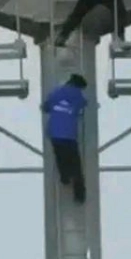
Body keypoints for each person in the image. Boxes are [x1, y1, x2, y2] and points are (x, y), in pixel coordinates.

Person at [43, 73, 88, 203]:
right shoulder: (77, 95)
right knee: (76, 166)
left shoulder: (56, 92)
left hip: (55, 133)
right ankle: (79, 195)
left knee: (60, 158)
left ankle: (64, 178)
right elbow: (83, 105)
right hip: (69, 135)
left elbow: (45, 107)